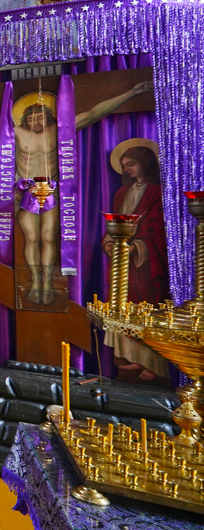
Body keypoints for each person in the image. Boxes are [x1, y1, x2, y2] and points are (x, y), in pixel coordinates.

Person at [0, 80, 154, 305]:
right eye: (30, 118)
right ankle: (35, 283)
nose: (35, 121)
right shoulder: (16, 133)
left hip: (51, 192)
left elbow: (94, 113)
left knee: (48, 238)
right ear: (23, 120)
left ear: (49, 116)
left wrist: (131, 91)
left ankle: (47, 284)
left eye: (39, 116)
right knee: (32, 238)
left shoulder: (60, 131)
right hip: (27, 192)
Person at [102, 144, 169, 381]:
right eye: (124, 165)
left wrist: (136, 246)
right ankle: (130, 358)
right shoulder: (122, 192)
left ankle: (153, 365)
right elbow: (115, 221)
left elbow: (157, 228)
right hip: (122, 261)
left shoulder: (156, 192)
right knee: (122, 304)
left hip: (144, 261)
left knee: (147, 306)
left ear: (145, 164)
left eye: (131, 164)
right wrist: (109, 242)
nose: (126, 169)